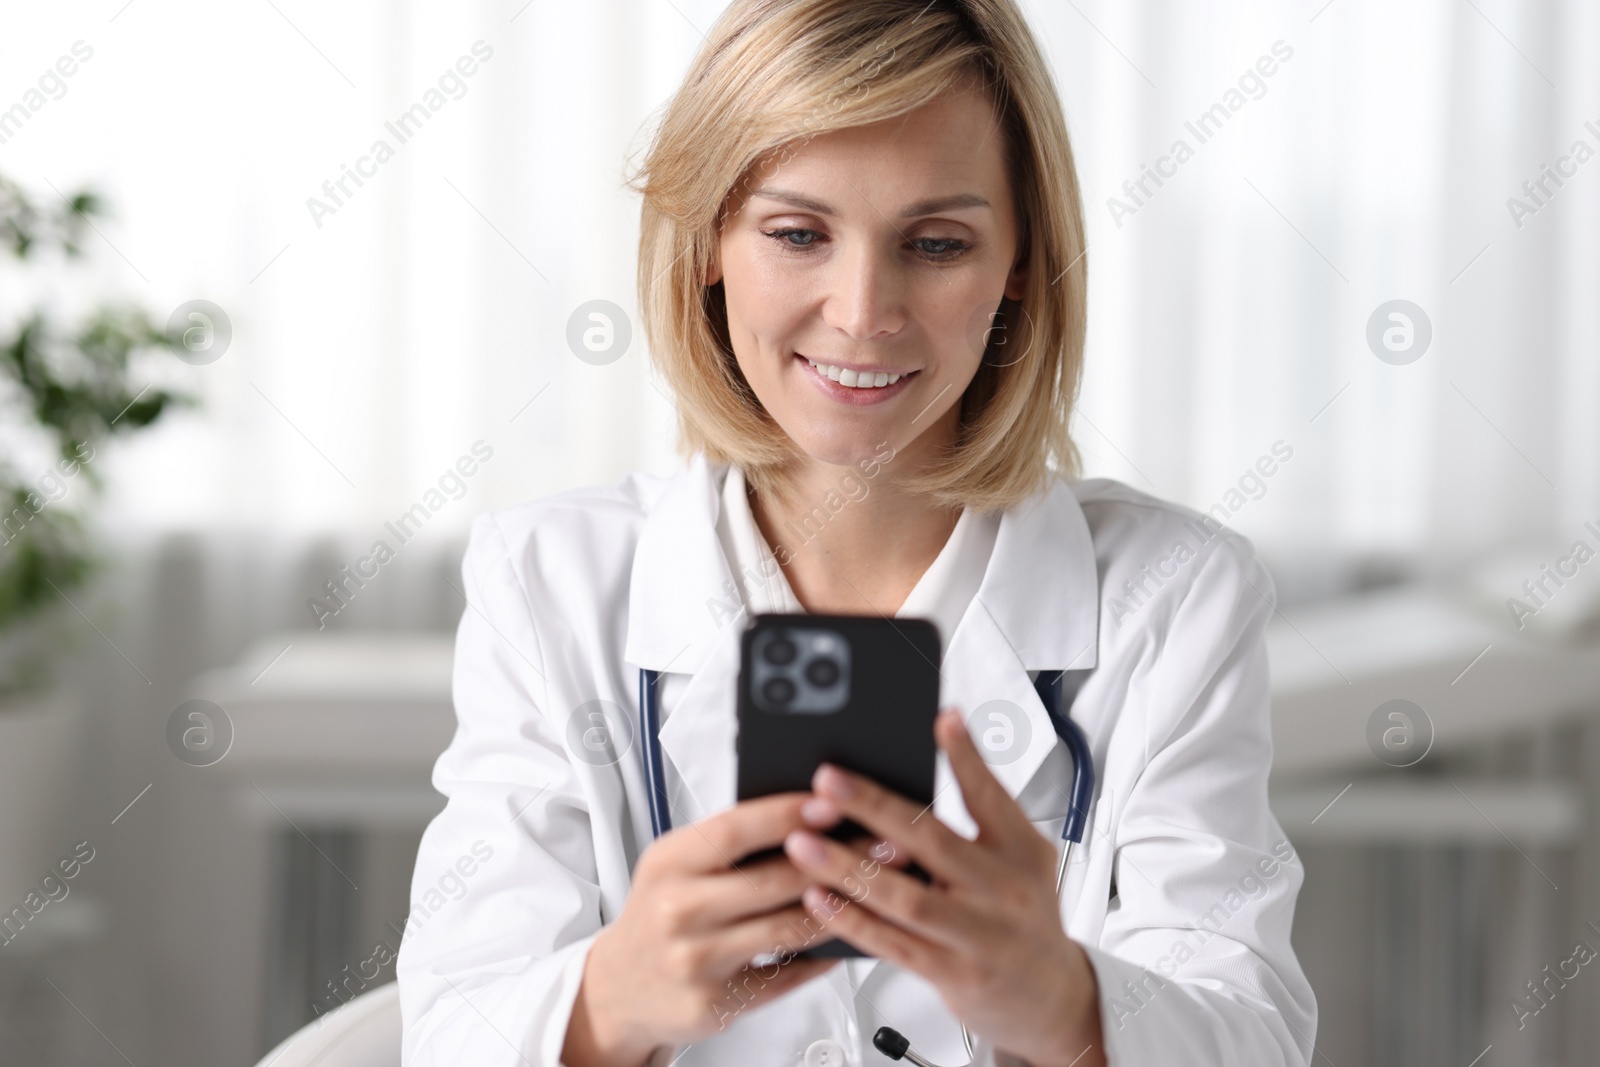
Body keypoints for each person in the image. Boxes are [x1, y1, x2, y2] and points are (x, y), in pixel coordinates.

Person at [396, 1, 1317, 1064]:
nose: (862, 309)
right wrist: (614, 999)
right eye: (797, 233)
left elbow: (1249, 1033)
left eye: (936, 243)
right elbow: (454, 1028)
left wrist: (1065, 1004)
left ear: (1020, 262)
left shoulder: (1174, 596)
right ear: (707, 244)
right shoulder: (548, 583)